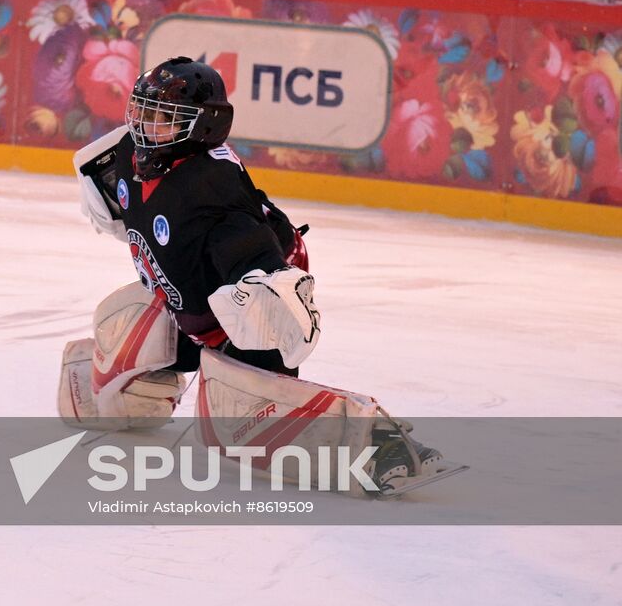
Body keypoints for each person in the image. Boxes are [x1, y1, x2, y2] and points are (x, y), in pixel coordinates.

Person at [60, 56, 448, 494]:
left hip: (237, 312)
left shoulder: (211, 194)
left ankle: (378, 443)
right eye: (144, 112)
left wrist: (263, 300)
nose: (147, 127)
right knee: (125, 324)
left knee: (237, 420)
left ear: (203, 128)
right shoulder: (134, 154)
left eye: (165, 119)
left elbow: (262, 275)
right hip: (187, 301)